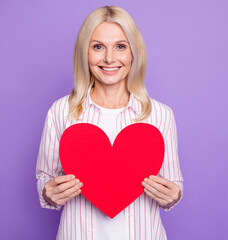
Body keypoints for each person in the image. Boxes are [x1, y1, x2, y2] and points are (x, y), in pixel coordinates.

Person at [36, 6, 184, 240]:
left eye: (120, 46)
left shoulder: (160, 115)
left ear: (134, 52)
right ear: (84, 53)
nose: (109, 58)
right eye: (98, 47)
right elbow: (45, 178)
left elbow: (173, 182)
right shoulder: (61, 111)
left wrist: (173, 196)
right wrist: (48, 193)